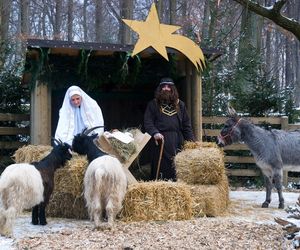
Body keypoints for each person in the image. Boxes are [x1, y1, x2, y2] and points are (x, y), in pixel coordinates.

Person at [144, 77, 195, 181]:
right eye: (163, 86)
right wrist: (155, 133)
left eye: (168, 86)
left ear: (173, 89)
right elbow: (148, 122)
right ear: (160, 89)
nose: (166, 88)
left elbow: (186, 126)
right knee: (160, 170)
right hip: (160, 141)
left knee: (176, 168)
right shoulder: (153, 104)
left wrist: (192, 143)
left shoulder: (180, 105)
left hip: (177, 141)